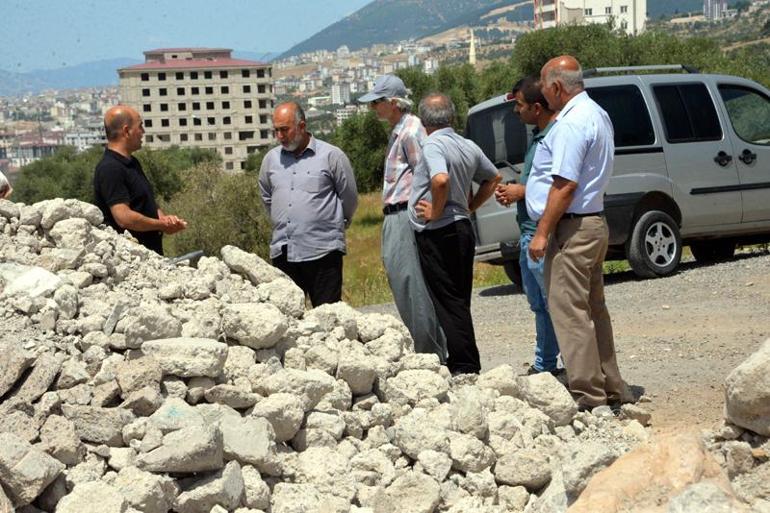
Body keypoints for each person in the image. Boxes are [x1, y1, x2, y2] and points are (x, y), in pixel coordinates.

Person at [525, 55, 626, 410]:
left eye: (543, 85)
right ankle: (611, 386)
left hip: (573, 227)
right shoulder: (597, 113)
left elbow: (564, 185)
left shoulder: (569, 123)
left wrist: (541, 233)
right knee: (593, 309)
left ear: (556, 87)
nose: (542, 92)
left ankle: (588, 395)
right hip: (594, 222)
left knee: (569, 312)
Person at [409, 93, 501, 375]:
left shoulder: (433, 144)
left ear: (424, 121)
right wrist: (470, 206)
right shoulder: (467, 144)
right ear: (451, 117)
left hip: (439, 231)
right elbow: (493, 177)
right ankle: (464, 359)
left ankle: (464, 364)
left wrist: (436, 211)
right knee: (459, 298)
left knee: (447, 298)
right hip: (461, 226)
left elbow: (440, 179)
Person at [358, 75, 446, 361]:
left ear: (393, 103)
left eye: (377, 103)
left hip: (405, 214)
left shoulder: (410, 131)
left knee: (412, 285)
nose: (374, 109)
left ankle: (430, 352)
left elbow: (428, 173)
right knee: (403, 283)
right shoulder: (399, 129)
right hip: (395, 214)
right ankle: (429, 350)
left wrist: (429, 211)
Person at [259, 102, 358, 307]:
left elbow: (348, 196)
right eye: (276, 130)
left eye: (285, 130)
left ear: (302, 126)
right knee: (286, 318)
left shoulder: (331, 156)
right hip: (284, 251)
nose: (279, 136)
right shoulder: (271, 160)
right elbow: (267, 197)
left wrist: (337, 224)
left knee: (329, 317)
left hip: (323, 251)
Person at [494, 76, 562, 376]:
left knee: (554, 304)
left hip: (540, 234)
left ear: (536, 107)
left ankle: (574, 367)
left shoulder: (555, 137)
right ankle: (545, 364)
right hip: (527, 232)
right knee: (539, 304)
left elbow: (562, 187)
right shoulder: (538, 138)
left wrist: (521, 192)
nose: (516, 112)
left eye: (519, 105)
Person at [93, 105, 187, 255]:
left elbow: (145, 201)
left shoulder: (132, 163)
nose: (143, 132)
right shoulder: (110, 168)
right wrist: (161, 225)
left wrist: (165, 220)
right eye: (140, 126)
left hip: (151, 254)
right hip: (130, 258)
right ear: (126, 131)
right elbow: (124, 217)